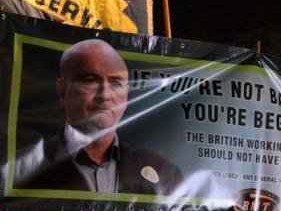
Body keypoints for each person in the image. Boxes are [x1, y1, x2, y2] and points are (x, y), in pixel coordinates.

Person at [17, 38, 183, 196]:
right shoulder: (23, 168)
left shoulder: (166, 174)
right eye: (90, 80)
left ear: (126, 94)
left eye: (116, 83)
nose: (104, 95)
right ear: (62, 90)